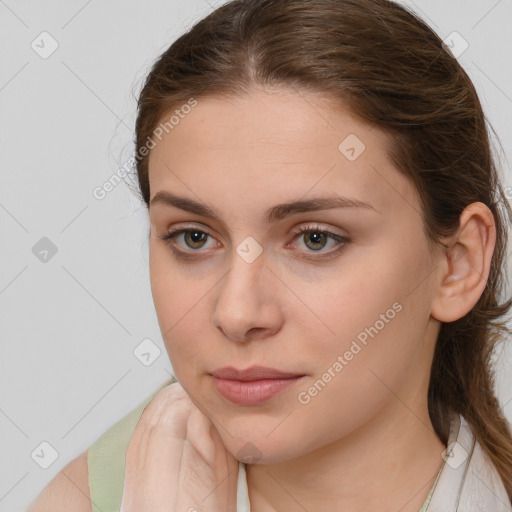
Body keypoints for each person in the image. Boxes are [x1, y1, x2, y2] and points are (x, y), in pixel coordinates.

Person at [28, 0, 512, 510]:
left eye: (316, 239)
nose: (236, 314)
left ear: (457, 265)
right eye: (193, 237)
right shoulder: (84, 497)